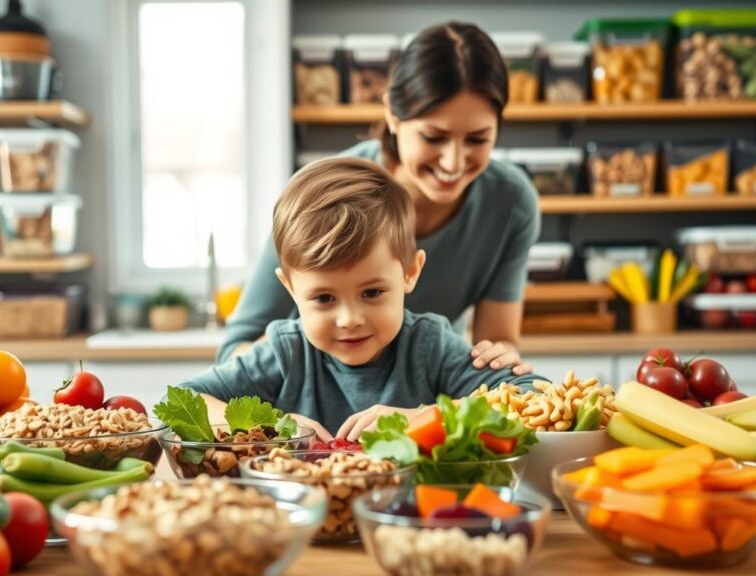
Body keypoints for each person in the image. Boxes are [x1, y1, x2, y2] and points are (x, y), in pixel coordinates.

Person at [219, 21, 541, 376]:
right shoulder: (325, 195)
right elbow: (237, 349)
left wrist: (499, 361)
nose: (454, 161)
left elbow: (497, 341)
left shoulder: (510, 202)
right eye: (434, 137)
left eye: (478, 139)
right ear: (392, 114)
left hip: (416, 409)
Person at [180, 158, 543, 440]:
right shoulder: (285, 351)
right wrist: (271, 424)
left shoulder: (429, 345)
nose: (349, 318)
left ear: (410, 273)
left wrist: (420, 418)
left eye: (372, 292)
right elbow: (185, 399)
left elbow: (530, 396)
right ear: (290, 289)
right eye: (323, 298)